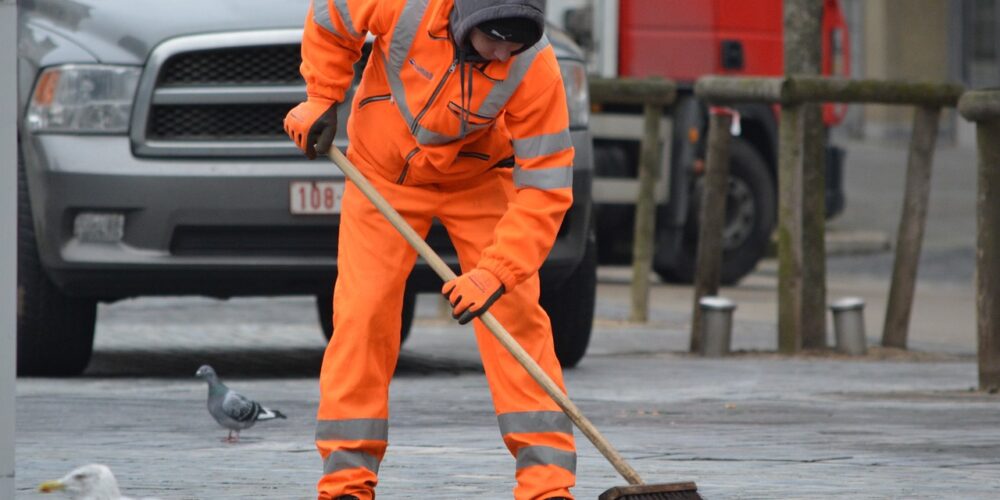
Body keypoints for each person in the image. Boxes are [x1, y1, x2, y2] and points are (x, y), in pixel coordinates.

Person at [284, 1, 576, 498]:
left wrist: (497, 272)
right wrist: (321, 96)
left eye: (517, 44)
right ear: (466, 18)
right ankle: (346, 482)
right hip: (381, 171)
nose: (505, 55)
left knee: (515, 316)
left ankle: (547, 486)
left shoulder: (536, 67)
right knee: (363, 314)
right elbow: (332, 18)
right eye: (495, 41)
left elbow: (546, 189)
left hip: (481, 179)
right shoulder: (405, 5)